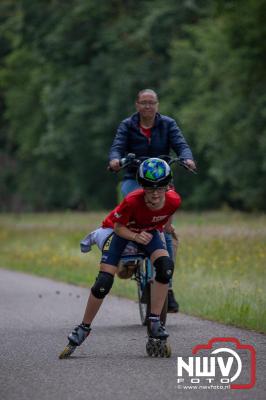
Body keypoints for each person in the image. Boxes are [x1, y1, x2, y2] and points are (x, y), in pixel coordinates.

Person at [59, 158, 182, 358]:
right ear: (141, 186)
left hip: (148, 232)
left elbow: (168, 212)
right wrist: (135, 237)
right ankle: (83, 327)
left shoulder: (174, 199)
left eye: (160, 187)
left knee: (166, 267)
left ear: (168, 185)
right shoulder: (133, 201)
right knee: (103, 282)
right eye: (149, 188)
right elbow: (118, 228)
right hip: (121, 233)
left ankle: (154, 321)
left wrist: (167, 228)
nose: (155, 193)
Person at [108, 89, 196, 312]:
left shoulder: (167, 124)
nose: (148, 106)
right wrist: (115, 160)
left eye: (152, 103)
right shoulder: (127, 125)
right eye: (144, 103)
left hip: (161, 179)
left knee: (166, 232)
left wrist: (187, 158)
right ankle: (127, 255)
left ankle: (167, 285)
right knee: (129, 204)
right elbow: (117, 146)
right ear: (137, 105)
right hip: (134, 179)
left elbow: (181, 144)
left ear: (157, 105)